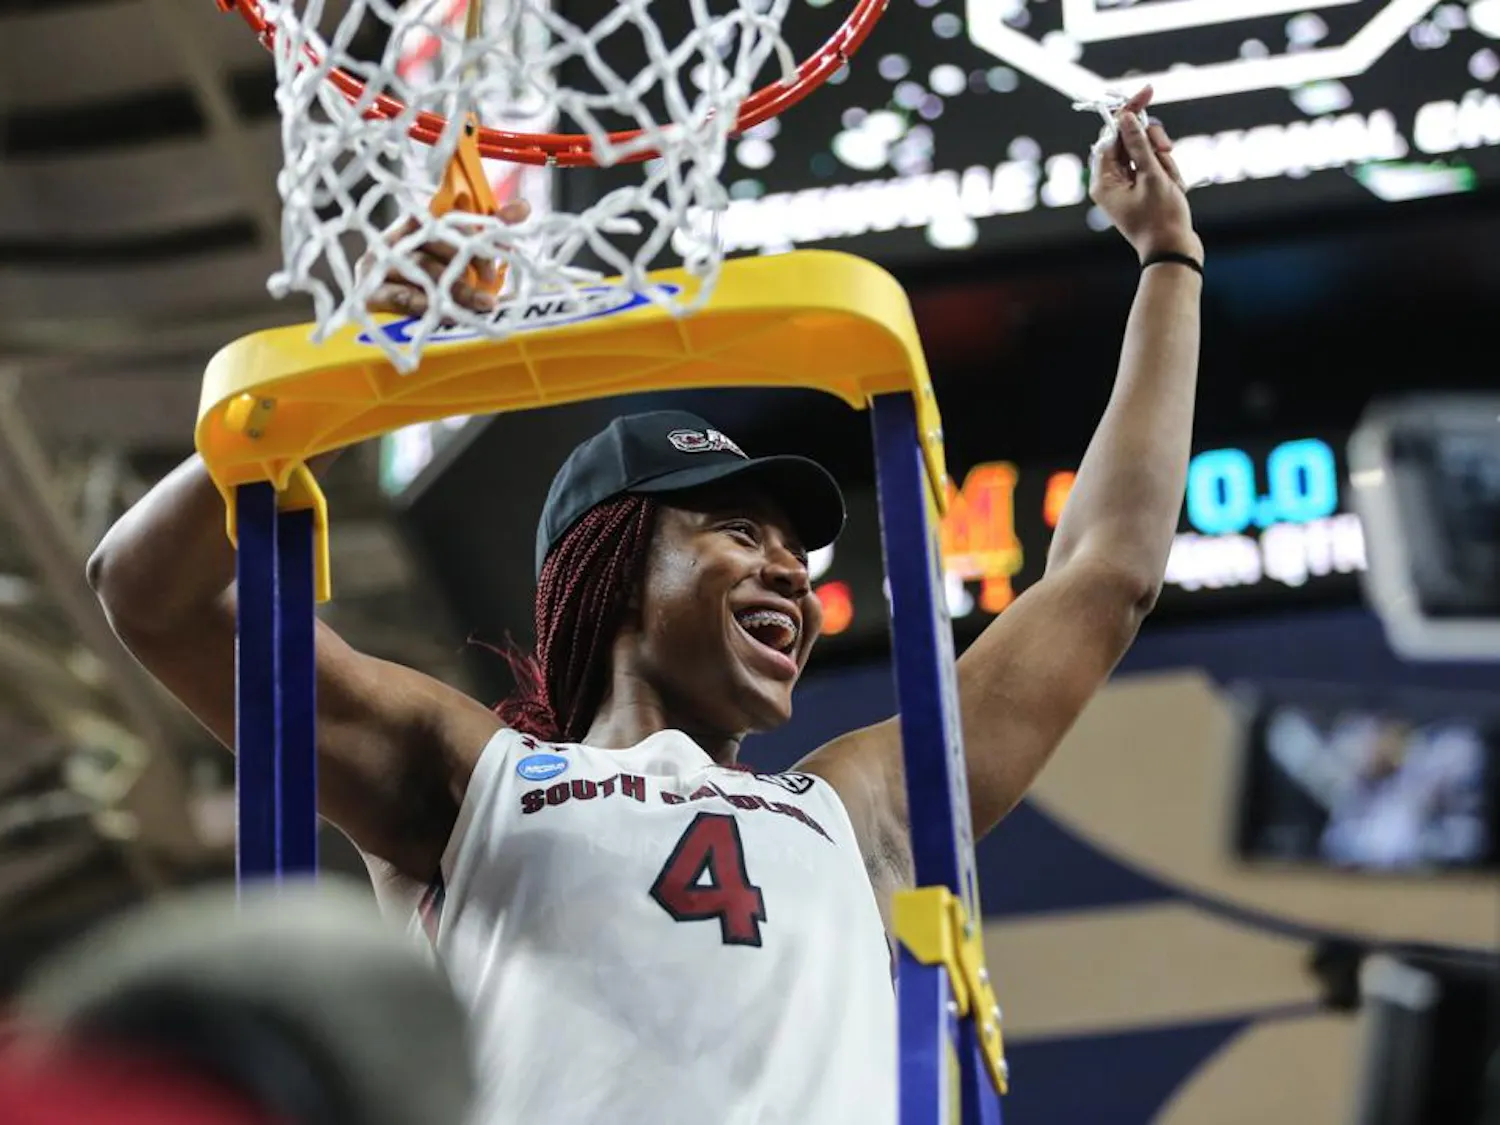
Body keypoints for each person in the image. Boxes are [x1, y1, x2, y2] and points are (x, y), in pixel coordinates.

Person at [88, 89, 1202, 1125]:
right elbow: (150, 594)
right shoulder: (470, 782)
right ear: (615, 568)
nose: (789, 572)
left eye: (794, 551)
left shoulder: (858, 813)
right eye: (736, 534)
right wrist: (354, 364)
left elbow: (1106, 577)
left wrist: (1169, 262)